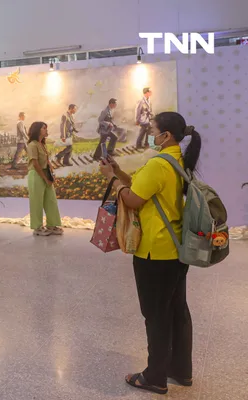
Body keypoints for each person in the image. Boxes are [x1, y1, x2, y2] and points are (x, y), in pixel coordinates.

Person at [99, 112, 201, 395]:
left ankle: (154, 376)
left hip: (154, 251)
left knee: (156, 315)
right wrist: (119, 172)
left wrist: (111, 179)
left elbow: (132, 199)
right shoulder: (177, 160)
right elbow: (141, 187)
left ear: (166, 135)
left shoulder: (158, 163)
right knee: (177, 310)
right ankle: (180, 370)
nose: (150, 135)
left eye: (153, 130)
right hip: (175, 248)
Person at [27, 121, 63, 237]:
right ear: (37, 130)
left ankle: (52, 224)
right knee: (36, 201)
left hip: (46, 173)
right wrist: (45, 178)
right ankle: (37, 227)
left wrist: (51, 172)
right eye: (44, 128)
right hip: (36, 175)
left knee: (51, 199)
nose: (46, 130)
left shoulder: (42, 144)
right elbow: (35, 163)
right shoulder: (32, 145)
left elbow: (46, 161)